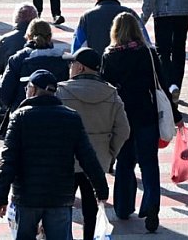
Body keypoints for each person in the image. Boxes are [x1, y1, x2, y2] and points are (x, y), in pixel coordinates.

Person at [0, 69, 109, 240]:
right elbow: (88, 157)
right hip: (59, 197)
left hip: (27, 197)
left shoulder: (20, 117)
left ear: (32, 89)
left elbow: (8, 160)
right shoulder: (71, 118)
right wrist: (101, 189)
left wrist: (0, 196)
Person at [101, 13, 182, 233]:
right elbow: (161, 85)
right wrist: (175, 114)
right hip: (146, 114)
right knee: (149, 163)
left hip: (122, 116)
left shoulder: (109, 56)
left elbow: (105, 89)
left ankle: (123, 206)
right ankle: (152, 205)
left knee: (125, 162)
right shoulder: (147, 53)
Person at [57, 48, 131, 240]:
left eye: (71, 63)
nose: (70, 67)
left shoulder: (60, 91)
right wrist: (110, 154)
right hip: (98, 161)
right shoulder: (112, 94)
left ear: (80, 67)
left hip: (66, 161)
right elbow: (124, 130)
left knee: (62, 210)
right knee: (92, 211)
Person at [0, 18, 69, 139]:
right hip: (56, 118)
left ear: (28, 36)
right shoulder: (62, 59)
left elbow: (5, 93)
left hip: (23, 117)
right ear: (50, 36)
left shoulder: (18, 59)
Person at [0, 3, 38, 93]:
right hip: (42, 96)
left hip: (12, 95)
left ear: (16, 19)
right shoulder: (45, 40)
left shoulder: (7, 40)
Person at [71, 0, 143, 54]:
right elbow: (145, 41)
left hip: (96, 64)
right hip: (128, 63)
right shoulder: (130, 13)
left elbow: (77, 48)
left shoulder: (86, 17)